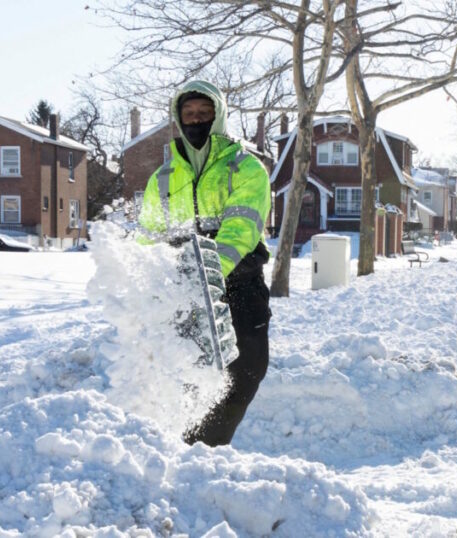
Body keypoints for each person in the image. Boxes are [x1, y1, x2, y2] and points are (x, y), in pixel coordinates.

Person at [137, 80, 272, 447]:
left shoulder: (245, 168)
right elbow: (148, 240)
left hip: (239, 287)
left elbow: (240, 229)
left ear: (218, 115)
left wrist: (208, 275)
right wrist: (152, 285)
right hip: (183, 291)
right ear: (179, 119)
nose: (196, 119)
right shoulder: (162, 179)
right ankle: (181, 449)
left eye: (204, 112)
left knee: (246, 370)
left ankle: (206, 451)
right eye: (189, 113)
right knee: (186, 377)